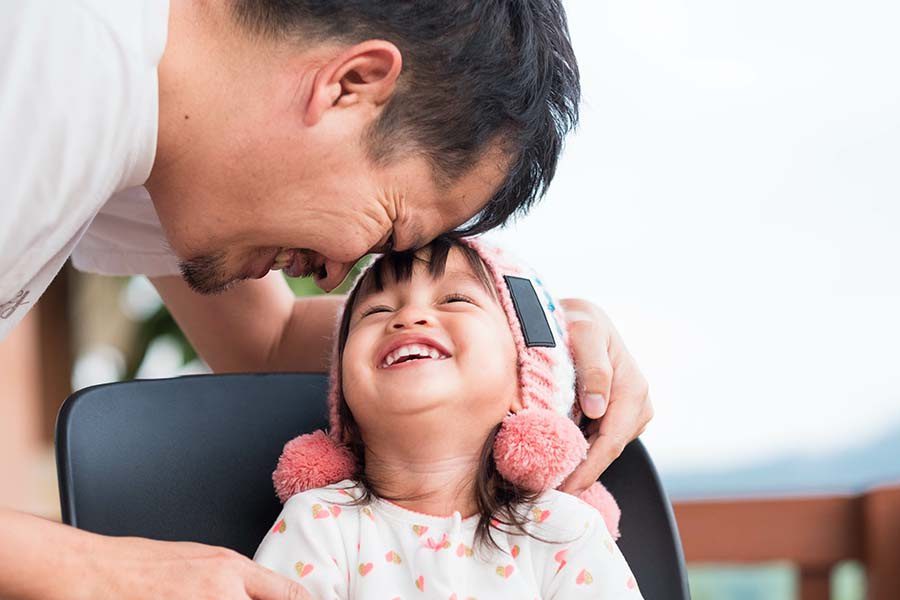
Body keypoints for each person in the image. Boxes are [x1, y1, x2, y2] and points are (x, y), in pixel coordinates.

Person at [0, 1, 651, 599]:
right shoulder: (43, 73)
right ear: (353, 84)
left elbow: (270, 341)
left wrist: (534, 338)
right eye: (391, 228)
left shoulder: (155, 137)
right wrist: (91, 569)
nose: (340, 272)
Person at [254, 236, 643, 598]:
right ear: (346, 409)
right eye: (377, 310)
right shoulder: (317, 524)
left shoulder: (564, 531)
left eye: (455, 299)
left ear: (526, 385)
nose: (408, 316)